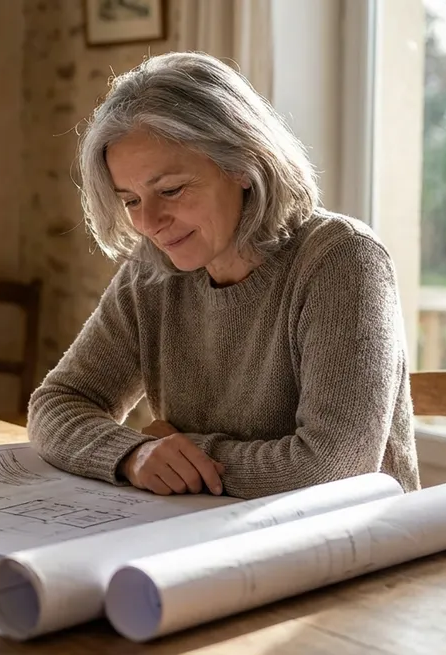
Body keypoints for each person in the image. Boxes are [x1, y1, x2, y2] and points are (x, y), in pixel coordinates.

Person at [27, 52, 420, 500]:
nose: (150, 223)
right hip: (212, 534)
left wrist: (183, 452)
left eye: (170, 190)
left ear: (242, 164)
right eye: (131, 200)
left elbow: (333, 467)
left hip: (355, 545)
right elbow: (55, 405)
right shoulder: (152, 272)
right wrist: (134, 454)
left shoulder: (342, 258)